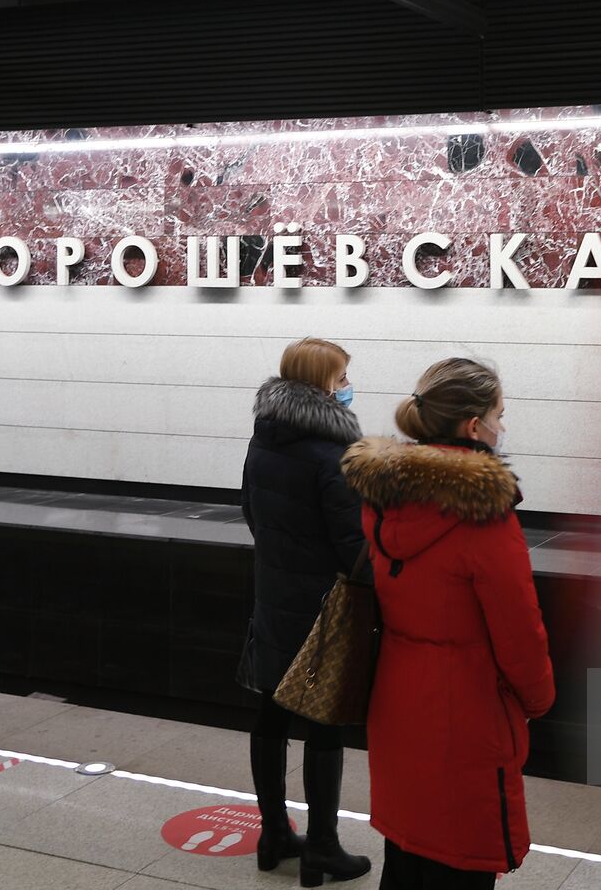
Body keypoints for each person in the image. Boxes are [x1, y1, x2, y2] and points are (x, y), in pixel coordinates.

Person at [341, 357, 555, 890]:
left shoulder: (387, 496)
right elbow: (518, 630)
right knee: (461, 856)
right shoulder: (484, 516)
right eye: (499, 416)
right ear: (473, 426)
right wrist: (539, 699)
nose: (502, 428)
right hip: (468, 708)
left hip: (396, 694)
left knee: (408, 848)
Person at [238, 336, 372, 884]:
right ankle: (322, 846)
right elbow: (352, 542)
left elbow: (249, 509)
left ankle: (273, 833)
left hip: (273, 592)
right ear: (321, 383)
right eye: (341, 379)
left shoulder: (263, 439)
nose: (346, 388)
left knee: (270, 711)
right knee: (323, 720)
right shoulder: (332, 453)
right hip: (325, 604)